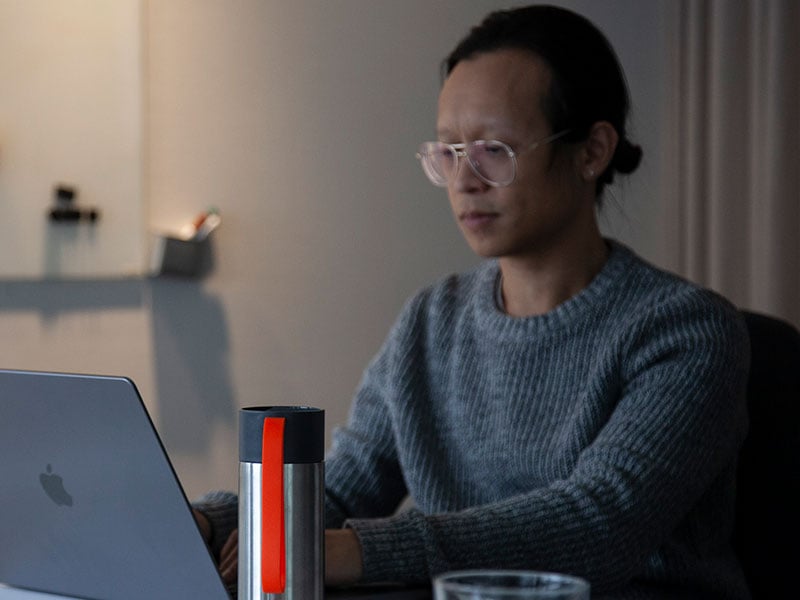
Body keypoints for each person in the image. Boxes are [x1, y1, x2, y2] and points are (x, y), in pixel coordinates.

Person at [195, 5, 752, 598]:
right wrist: (204, 524)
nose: (464, 179)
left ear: (592, 151)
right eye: (448, 151)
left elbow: (598, 522)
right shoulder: (431, 323)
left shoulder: (686, 332)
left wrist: (363, 550)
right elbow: (336, 494)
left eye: (493, 150)